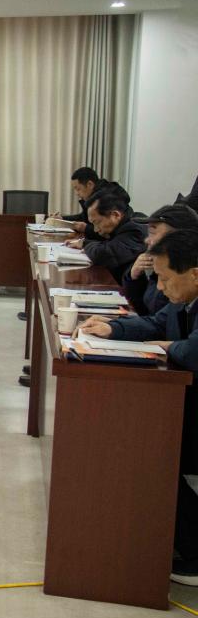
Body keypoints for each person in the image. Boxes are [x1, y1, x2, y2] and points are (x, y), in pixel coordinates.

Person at [78, 229, 198, 585]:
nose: (160, 288)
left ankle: (194, 552)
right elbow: (156, 323)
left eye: (165, 278)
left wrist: (167, 346)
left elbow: (192, 351)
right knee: (143, 444)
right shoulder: (185, 299)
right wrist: (113, 329)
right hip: (186, 399)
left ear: (194, 273)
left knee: (155, 452)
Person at [122, 204, 198, 316]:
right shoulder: (157, 266)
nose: (147, 240)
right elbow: (146, 312)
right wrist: (134, 278)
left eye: (153, 233)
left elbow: (159, 320)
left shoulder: (182, 275)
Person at [64, 183, 145, 282]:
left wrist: (85, 244)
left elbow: (103, 254)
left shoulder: (136, 229)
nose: (95, 229)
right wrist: (84, 243)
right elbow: (108, 246)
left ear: (115, 215)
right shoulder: (123, 224)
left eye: (97, 223)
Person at [55, 167, 107, 238]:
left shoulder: (104, 199)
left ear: (90, 184)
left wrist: (86, 229)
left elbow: (105, 233)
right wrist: (62, 218)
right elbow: (83, 216)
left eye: (78, 189)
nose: (77, 193)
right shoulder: (93, 197)